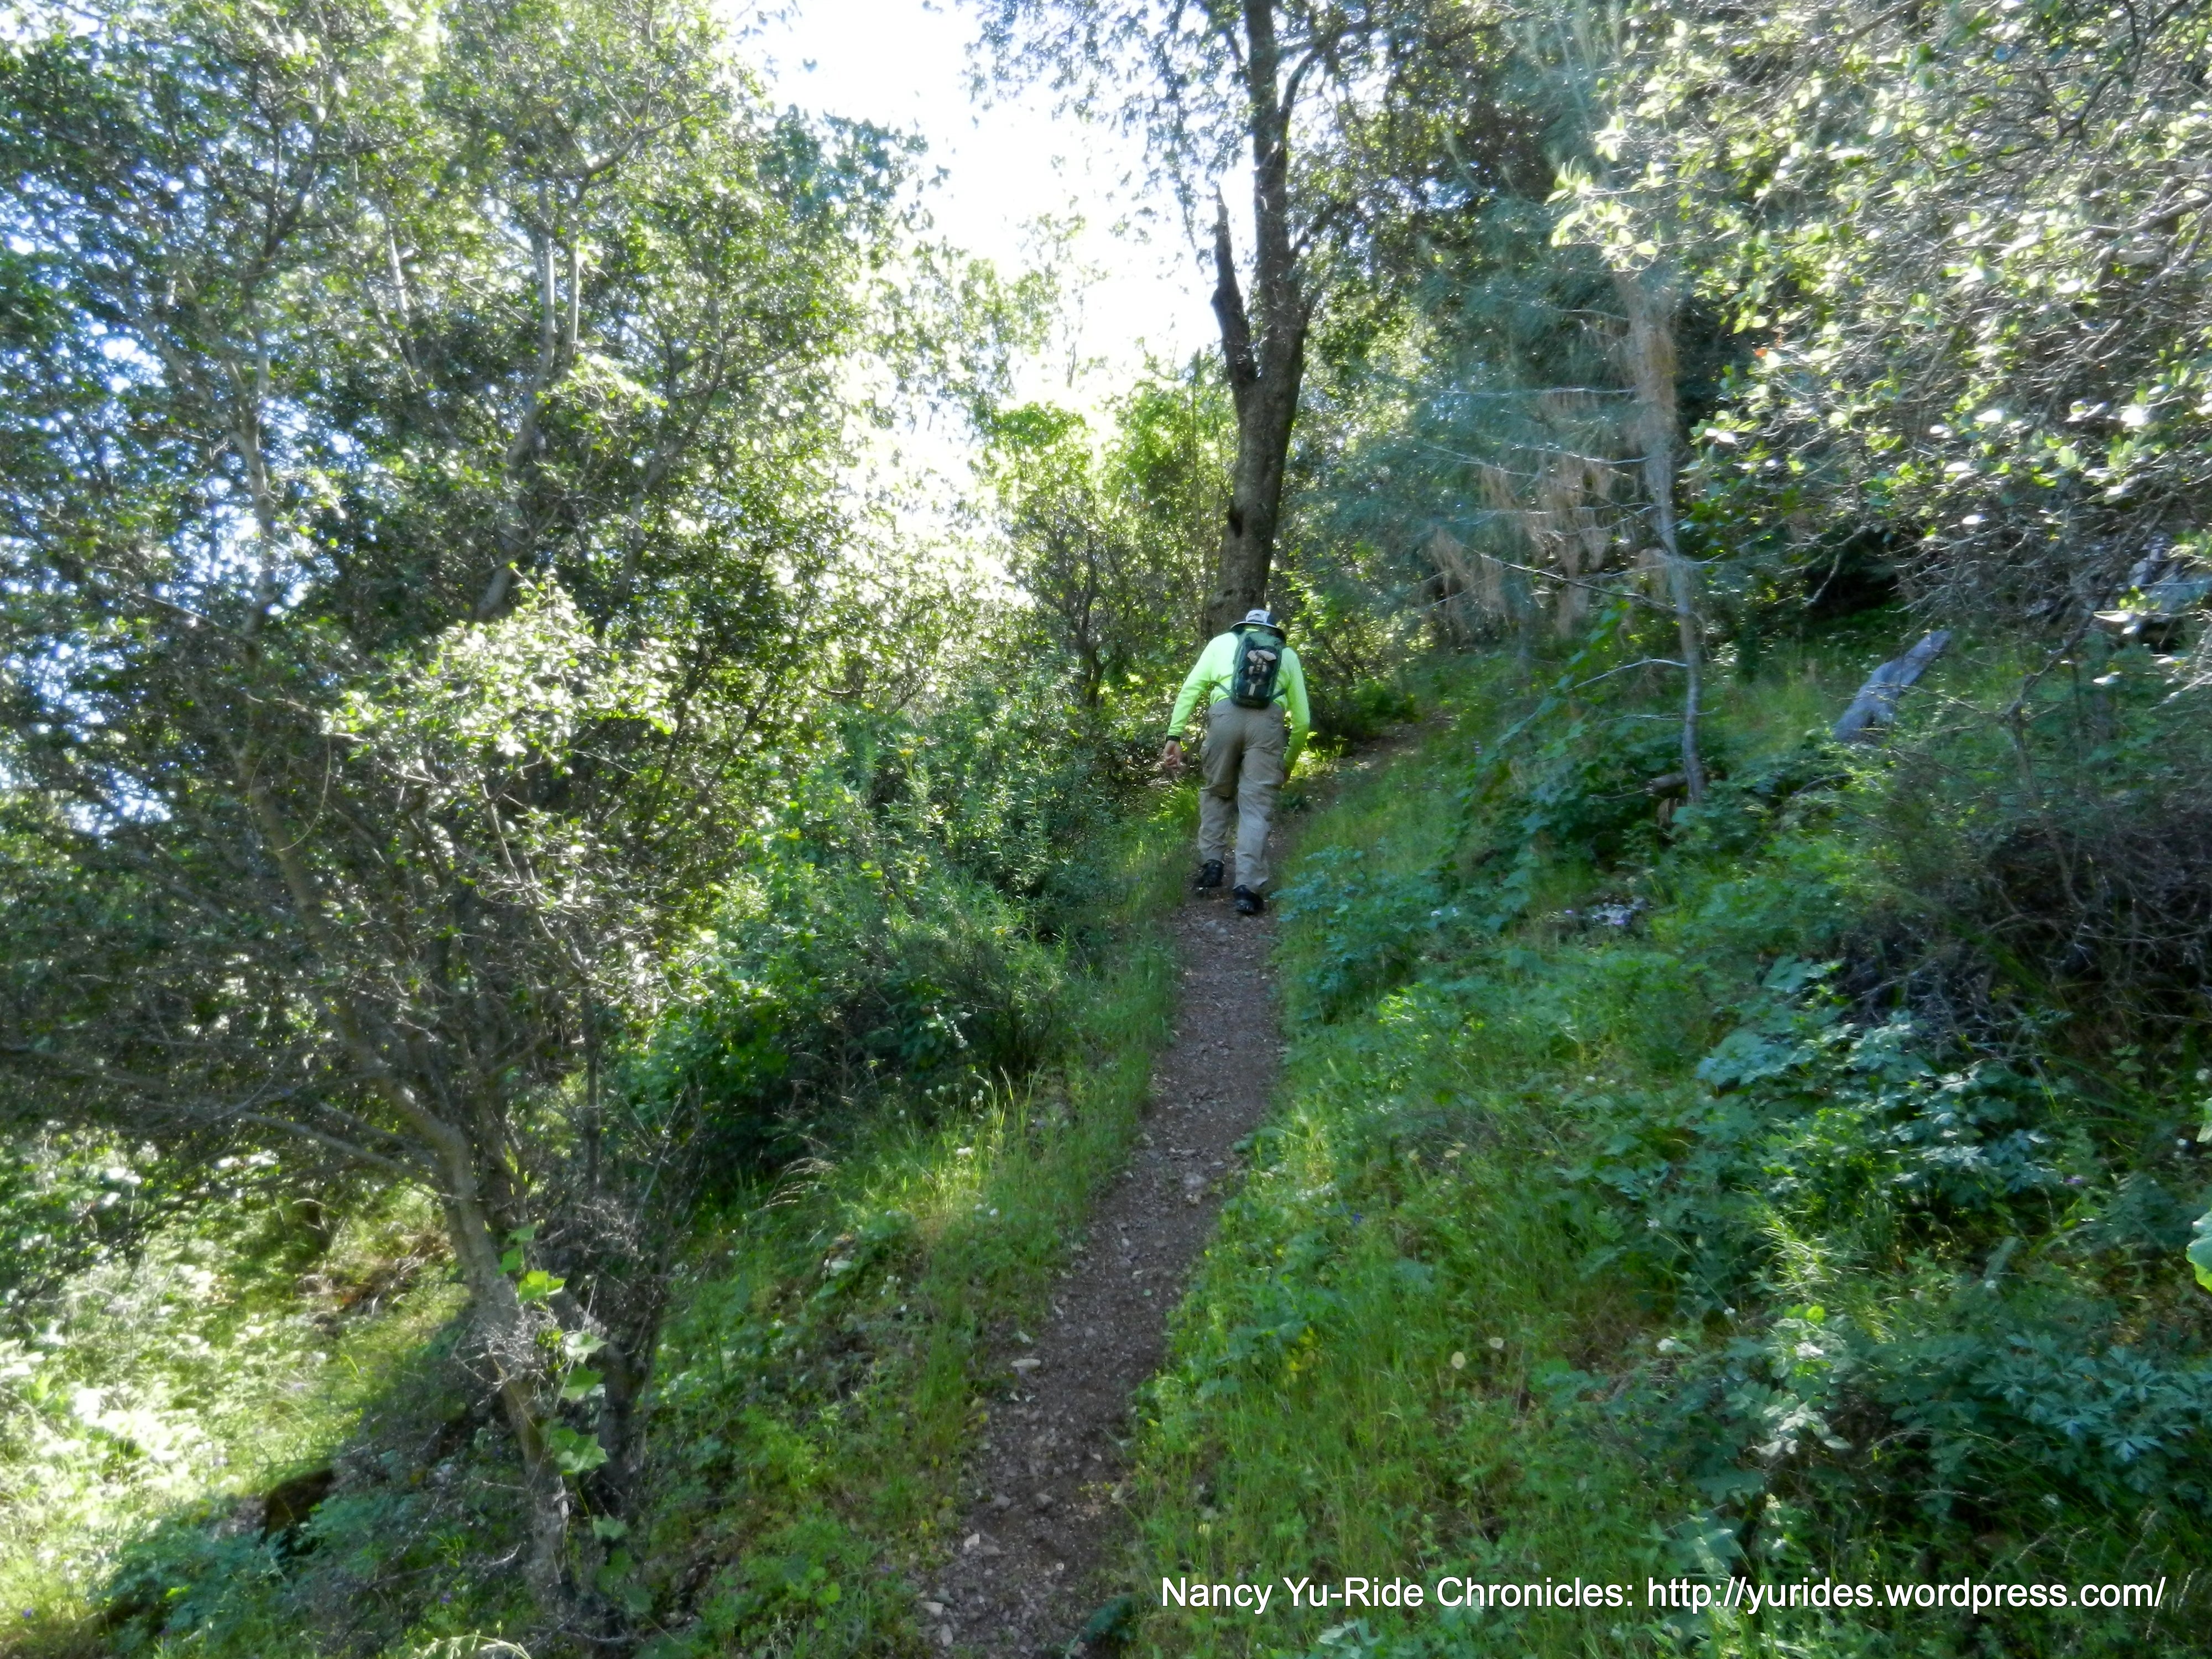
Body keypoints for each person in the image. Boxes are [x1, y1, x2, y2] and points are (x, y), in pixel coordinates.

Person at [1160, 608, 1311, 915]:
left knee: (1217, 791)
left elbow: (1191, 688)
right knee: (1256, 806)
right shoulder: (1287, 655)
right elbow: (1303, 722)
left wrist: (1175, 735)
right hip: (1267, 726)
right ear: (1272, 631)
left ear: (1243, 626)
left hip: (1224, 719)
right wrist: (1289, 762)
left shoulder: (1220, 643)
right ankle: (1247, 890)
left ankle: (1212, 865)